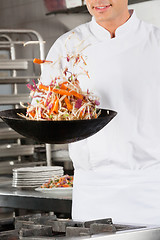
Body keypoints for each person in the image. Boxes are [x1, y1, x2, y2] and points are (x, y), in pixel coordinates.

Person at [40, 0, 160, 225]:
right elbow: (45, 108)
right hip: (93, 191)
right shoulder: (67, 45)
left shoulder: (156, 41)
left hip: (151, 188)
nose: (98, 1)